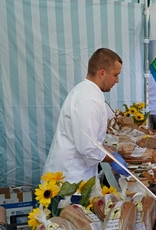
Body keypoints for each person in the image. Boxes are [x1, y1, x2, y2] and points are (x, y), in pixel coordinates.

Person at [42, 48, 128, 183]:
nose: (117, 80)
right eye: (115, 75)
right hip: (70, 178)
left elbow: (92, 141)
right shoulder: (89, 99)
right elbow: (87, 147)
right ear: (102, 73)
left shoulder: (87, 91)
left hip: (76, 174)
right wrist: (113, 159)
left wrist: (110, 152)